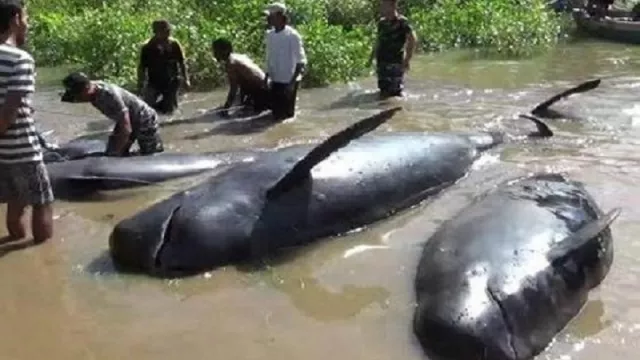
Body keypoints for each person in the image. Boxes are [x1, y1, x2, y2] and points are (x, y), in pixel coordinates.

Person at [0, 0, 54, 244]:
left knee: (14, 201)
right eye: (26, 18)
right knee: (42, 203)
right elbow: (9, 111)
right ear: (15, 20)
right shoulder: (20, 59)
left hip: (2, 154)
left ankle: (15, 245)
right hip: (22, 149)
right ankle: (43, 258)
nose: (28, 24)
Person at [60, 72, 164, 157]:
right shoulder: (89, 90)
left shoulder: (110, 95)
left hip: (144, 118)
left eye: (78, 95)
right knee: (112, 151)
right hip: (125, 119)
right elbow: (69, 98)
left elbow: (126, 129)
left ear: (87, 88)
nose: (78, 99)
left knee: (149, 154)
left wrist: (118, 150)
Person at [263, 3, 307, 121]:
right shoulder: (270, 35)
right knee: (276, 115)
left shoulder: (292, 35)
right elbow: (269, 57)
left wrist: (292, 84)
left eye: (271, 16)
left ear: (279, 17)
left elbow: (301, 61)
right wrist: (266, 77)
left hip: (289, 81)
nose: (268, 19)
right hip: (275, 79)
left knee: (287, 116)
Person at [137, 19, 190, 115]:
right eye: (165, 31)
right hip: (154, 82)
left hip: (172, 81)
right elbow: (142, 67)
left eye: (168, 31)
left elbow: (182, 62)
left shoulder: (174, 44)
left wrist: (186, 79)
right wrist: (140, 84)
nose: (168, 33)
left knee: (170, 109)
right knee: (145, 108)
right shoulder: (148, 47)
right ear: (156, 32)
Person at [367, 0, 417, 99]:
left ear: (392, 5)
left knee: (395, 94)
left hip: (395, 63)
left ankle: (399, 111)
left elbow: (413, 39)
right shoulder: (382, 23)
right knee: (383, 92)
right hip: (382, 63)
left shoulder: (402, 22)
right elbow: (378, 41)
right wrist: (371, 57)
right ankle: (383, 110)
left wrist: (407, 59)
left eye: (384, 5)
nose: (381, 8)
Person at [211, 38, 270, 117]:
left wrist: (225, 109)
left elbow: (233, 89)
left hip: (261, 91)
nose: (214, 54)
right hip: (266, 85)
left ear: (225, 51)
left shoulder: (231, 64)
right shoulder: (238, 56)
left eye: (216, 51)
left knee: (250, 116)